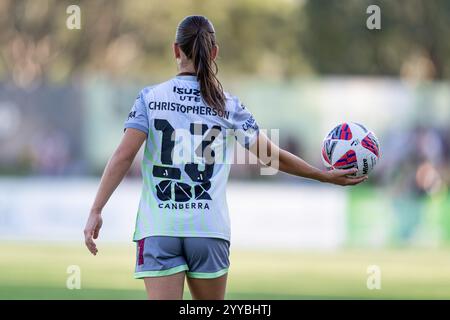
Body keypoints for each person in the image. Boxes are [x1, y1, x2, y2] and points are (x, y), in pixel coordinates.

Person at [83, 15, 367, 300]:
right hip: (208, 229)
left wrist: (97, 209)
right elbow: (271, 156)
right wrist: (322, 175)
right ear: (214, 52)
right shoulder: (227, 104)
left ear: (175, 50)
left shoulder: (150, 98)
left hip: (159, 228)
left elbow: (123, 155)